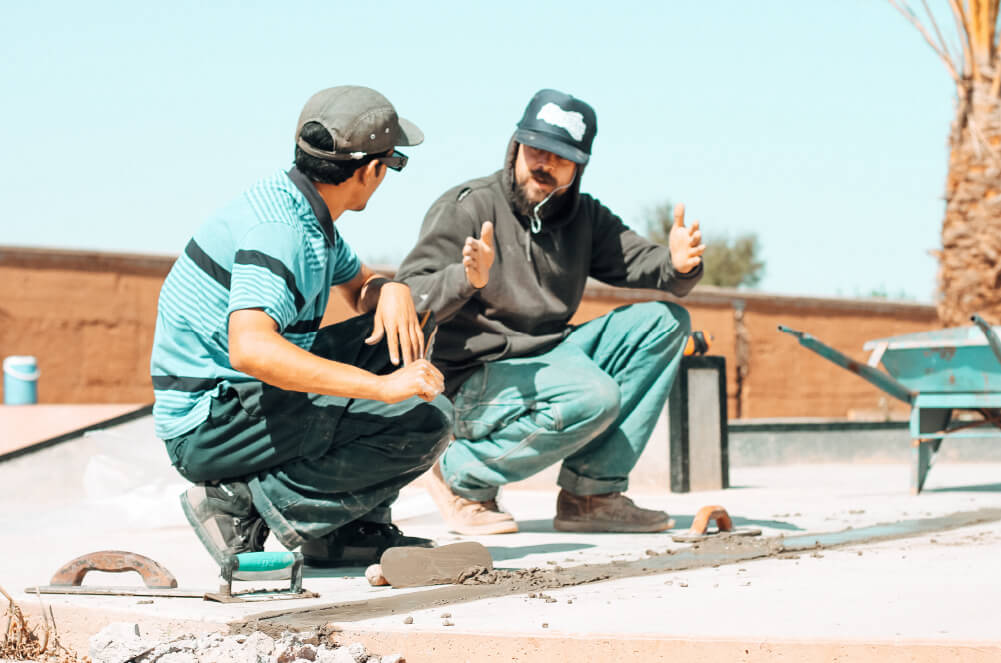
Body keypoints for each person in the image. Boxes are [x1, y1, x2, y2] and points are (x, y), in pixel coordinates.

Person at [150, 85, 452, 568]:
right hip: (209, 425)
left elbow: (358, 285)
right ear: (373, 169)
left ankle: (346, 532)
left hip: (237, 404)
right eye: (393, 164)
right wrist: (379, 388)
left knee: (409, 326)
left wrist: (390, 290)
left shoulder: (305, 212)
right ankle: (239, 505)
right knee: (427, 421)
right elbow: (251, 349)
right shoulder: (283, 232)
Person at [396, 88, 704, 535]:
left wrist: (678, 266)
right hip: (473, 378)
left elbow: (644, 263)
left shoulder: (583, 217)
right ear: (516, 145)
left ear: (577, 167)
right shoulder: (469, 206)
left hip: (549, 359)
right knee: (593, 394)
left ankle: (591, 495)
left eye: (559, 158)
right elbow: (409, 295)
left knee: (665, 322)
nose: (544, 164)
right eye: (536, 149)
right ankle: (461, 474)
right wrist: (466, 279)